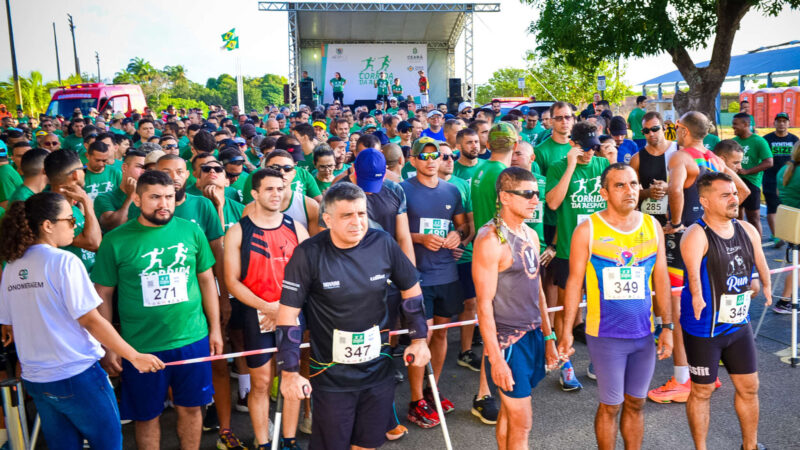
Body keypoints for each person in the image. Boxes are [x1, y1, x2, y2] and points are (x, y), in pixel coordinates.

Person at [0, 192, 164, 449]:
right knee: (108, 444)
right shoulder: (64, 261)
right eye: (70, 220)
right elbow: (90, 320)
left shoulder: (12, 266)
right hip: (77, 374)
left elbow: (9, 322)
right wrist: (134, 356)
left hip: (37, 378)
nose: (74, 225)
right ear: (47, 225)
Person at [276, 182, 432, 449]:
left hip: (377, 371)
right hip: (332, 375)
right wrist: (289, 372)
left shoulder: (382, 242)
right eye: (347, 215)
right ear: (327, 220)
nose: (357, 222)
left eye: (361, 214)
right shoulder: (308, 254)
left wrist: (418, 339)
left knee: (368, 443)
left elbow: (411, 290)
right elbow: (288, 316)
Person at [92, 170, 222, 449]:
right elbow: (102, 293)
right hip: (140, 346)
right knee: (147, 416)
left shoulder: (191, 231)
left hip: (192, 339)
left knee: (191, 408)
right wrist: (110, 346)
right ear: (137, 200)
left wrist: (215, 330)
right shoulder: (115, 240)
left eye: (169, 197)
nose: (163, 203)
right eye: (154, 197)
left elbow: (207, 281)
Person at [559, 163, 673, 450]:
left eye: (633, 184)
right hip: (606, 336)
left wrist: (668, 327)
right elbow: (573, 284)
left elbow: (661, 281)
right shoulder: (589, 230)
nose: (629, 190)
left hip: (644, 335)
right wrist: (566, 331)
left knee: (636, 403)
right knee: (611, 406)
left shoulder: (652, 225)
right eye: (620, 185)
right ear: (604, 192)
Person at [648, 111, 748, 403]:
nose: (671, 132)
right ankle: (707, 373)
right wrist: (719, 220)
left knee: (680, 309)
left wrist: (677, 224)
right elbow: (741, 191)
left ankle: (683, 380)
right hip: (711, 237)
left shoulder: (680, 158)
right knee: (702, 301)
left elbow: (677, 190)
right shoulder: (715, 159)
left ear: (682, 131)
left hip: (685, 240)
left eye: (674, 128)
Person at [680, 172, 771, 450]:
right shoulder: (696, 234)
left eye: (733, 193)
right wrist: (696, 296)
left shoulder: (747, 229)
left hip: (738, 325)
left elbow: (760, 261)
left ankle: (750, 446)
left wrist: (765, 285)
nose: (734, 199)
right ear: (705, 201)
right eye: (725, 195)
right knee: (702, 391)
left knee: (749, 387)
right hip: (704, 329)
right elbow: (693, 275)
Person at [473, 167, 559, 449]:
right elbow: (483, 306)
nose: (536, 200)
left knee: (510, 418)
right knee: (522, 424)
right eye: (528, 194)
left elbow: (538, 292)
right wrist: (496, 359)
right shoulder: (490, 240)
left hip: (533, 336)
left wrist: (549, 338)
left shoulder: (531, 235)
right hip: (508, 343)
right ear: (504, 197)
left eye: (537, 193)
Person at [224, 168, 309, 450]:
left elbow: (309, 275)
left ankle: (289, 440)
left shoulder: (296, 228)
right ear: (255, 193)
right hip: (255, 313)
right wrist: (266, 307)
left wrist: (285, 309)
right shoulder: (238, 231)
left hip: (292, 313)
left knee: (291, 378)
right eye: (269, 189)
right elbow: (231, 281)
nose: (276, 194)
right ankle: (263, 443)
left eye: (281, 188)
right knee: (260, 383)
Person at [402, 138, 468, 427]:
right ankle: (416, 400)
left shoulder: (452, 190)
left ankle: (433, 388)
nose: (432, 160)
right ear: (413, 160)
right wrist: (419, 238)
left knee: (440, 335)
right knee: (422, 338)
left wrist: (459, 236)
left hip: (448, 274)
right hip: (417, 279)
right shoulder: (401, 191)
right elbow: (394, 234)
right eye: (424, 156)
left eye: (438, 156)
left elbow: (463, 225)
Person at [43, 149, 102, 272]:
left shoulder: (72, 208)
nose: (85, 172)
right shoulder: (55, 212)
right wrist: (87, 202)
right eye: (83, 168)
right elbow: (94, 243)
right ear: (75, 174)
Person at [629, 111, 678, 226]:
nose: (651, 134)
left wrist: (670, 188)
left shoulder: (679, 150)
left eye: (655, 129)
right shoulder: (637, 159)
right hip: (649, 220)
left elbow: (693, 186)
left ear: (664, 128)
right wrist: (647, 193)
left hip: (676, 218)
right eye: (646, 131)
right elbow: (630, 192)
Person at [732, 112, 773, 239]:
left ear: (746, 124)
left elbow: (769, 162)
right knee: (736, 217)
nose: (733, 127)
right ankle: (739, 243)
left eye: (735, 124)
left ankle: (757, 247)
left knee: (753, 218)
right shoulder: (733, 142)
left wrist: (746, 171)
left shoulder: (759, 141)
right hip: (735, 182)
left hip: (751, 183)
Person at [761, 112, 798, 246]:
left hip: (789, 180)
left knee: (787, 208)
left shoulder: (794, 140)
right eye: (779, 121)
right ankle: (776, 235)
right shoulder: (766, 139)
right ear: (774, 123)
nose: (781, 123)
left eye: (784, 121)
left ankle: (787, 232)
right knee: (772, 207)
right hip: (770, 178)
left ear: (788, 123)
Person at [774, 141, 800, 314]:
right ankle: (784, 300)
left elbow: (778, 193)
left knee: (797, 264)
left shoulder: (785, 169)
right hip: (797, 224)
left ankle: (787, 299)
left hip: (790, 223)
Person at [94, 149, 146, 232]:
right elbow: (114, 227)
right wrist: (130, 197)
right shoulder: (104, 198)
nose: (143, 171)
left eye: (146, 168)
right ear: (124, 167)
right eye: (139, 166)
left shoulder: (149, 197)